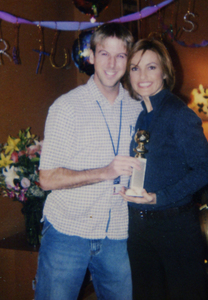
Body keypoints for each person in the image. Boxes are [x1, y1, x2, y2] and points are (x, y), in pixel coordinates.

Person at [34, 23, 142, 300]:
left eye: (121, 56)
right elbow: (46, 179)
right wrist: (104, 173)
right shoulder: (66, 107)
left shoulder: (138, 107)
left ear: (129, 60)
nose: (111, 63)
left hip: (116, 231)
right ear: (91, 56)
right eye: (104, 53)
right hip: (68, 230)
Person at [120, 39, 208, 300]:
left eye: (151, 67)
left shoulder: (178, 113)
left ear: (165, 71)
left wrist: (159, 197)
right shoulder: (142, 114)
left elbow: (206, 168)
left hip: (174, 229)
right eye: (135, 68)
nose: (142, 76)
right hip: (140, 230)